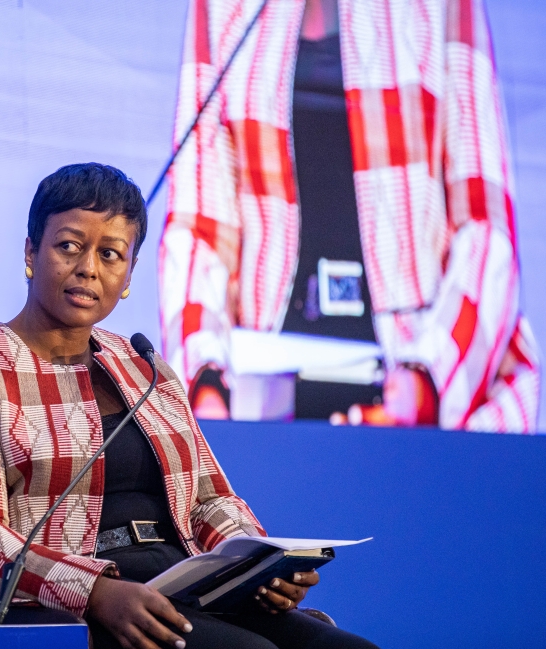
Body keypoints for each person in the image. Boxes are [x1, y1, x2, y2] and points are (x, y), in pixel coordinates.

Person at [0, 164, 391, 649]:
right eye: (69, 246)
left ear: (127, 276)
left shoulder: (145, 368)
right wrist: (95, 593)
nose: (89, 269)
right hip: (65, 606)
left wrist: (258, 567)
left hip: (183, 583)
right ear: (31, 253)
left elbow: (209, 500)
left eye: (110, 254)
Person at [158, 0, 540, 431]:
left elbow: (485, 222)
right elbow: (197, 229)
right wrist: (205, 386)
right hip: (263, 389)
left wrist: (427, 385)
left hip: (418, 381)